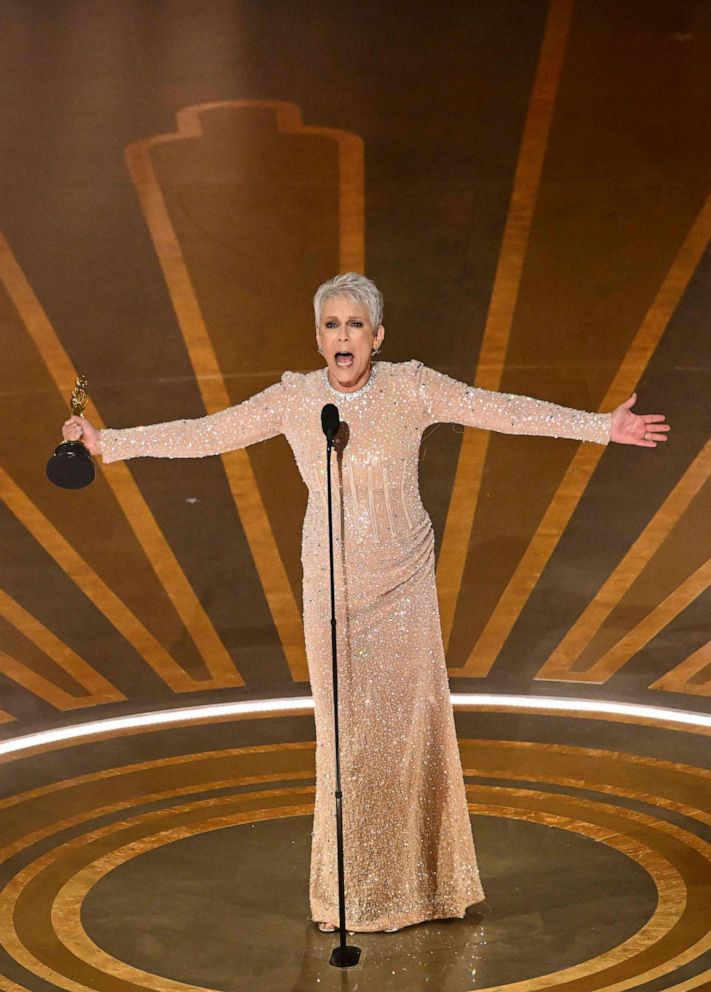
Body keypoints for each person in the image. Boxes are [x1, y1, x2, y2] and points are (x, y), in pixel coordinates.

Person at [62, 272, 670, 934]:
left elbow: (500, 408)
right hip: (332, 588)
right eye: (331, 325)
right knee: (346, 745)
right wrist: (109, 442)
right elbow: (209, 432)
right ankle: (347, 895)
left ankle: (427, 891)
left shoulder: (411, 386)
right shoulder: (294, 400)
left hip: (403, 585)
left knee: (411, 737)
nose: (342, 336)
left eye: (355, 325)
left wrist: (597, 427)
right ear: (318, 338)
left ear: (376, 337)